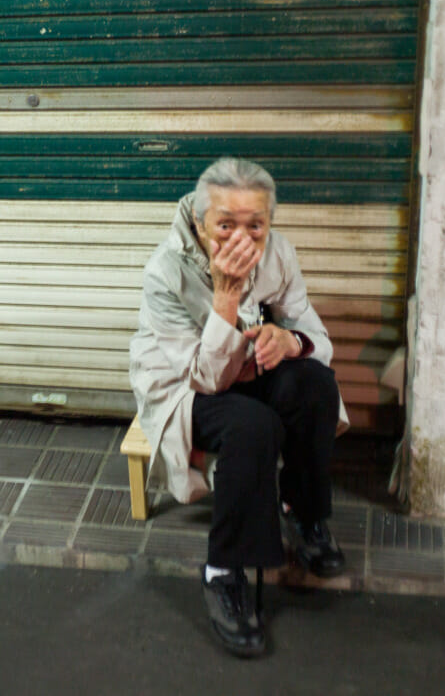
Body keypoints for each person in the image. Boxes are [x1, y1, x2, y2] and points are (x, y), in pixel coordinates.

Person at [129, 157, 348, 658]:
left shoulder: (280, 255)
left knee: (314, 385)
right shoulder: (165, 272)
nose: (241, 240)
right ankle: (223, 570)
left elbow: (313, 333)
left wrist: (288, 340)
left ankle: (303, 511)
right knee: (252, 426)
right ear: (200, 223)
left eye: (256, 225)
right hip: (184, 386)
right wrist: (226, 300)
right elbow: (205, 380)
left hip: (246, 367)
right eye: (225, 225)